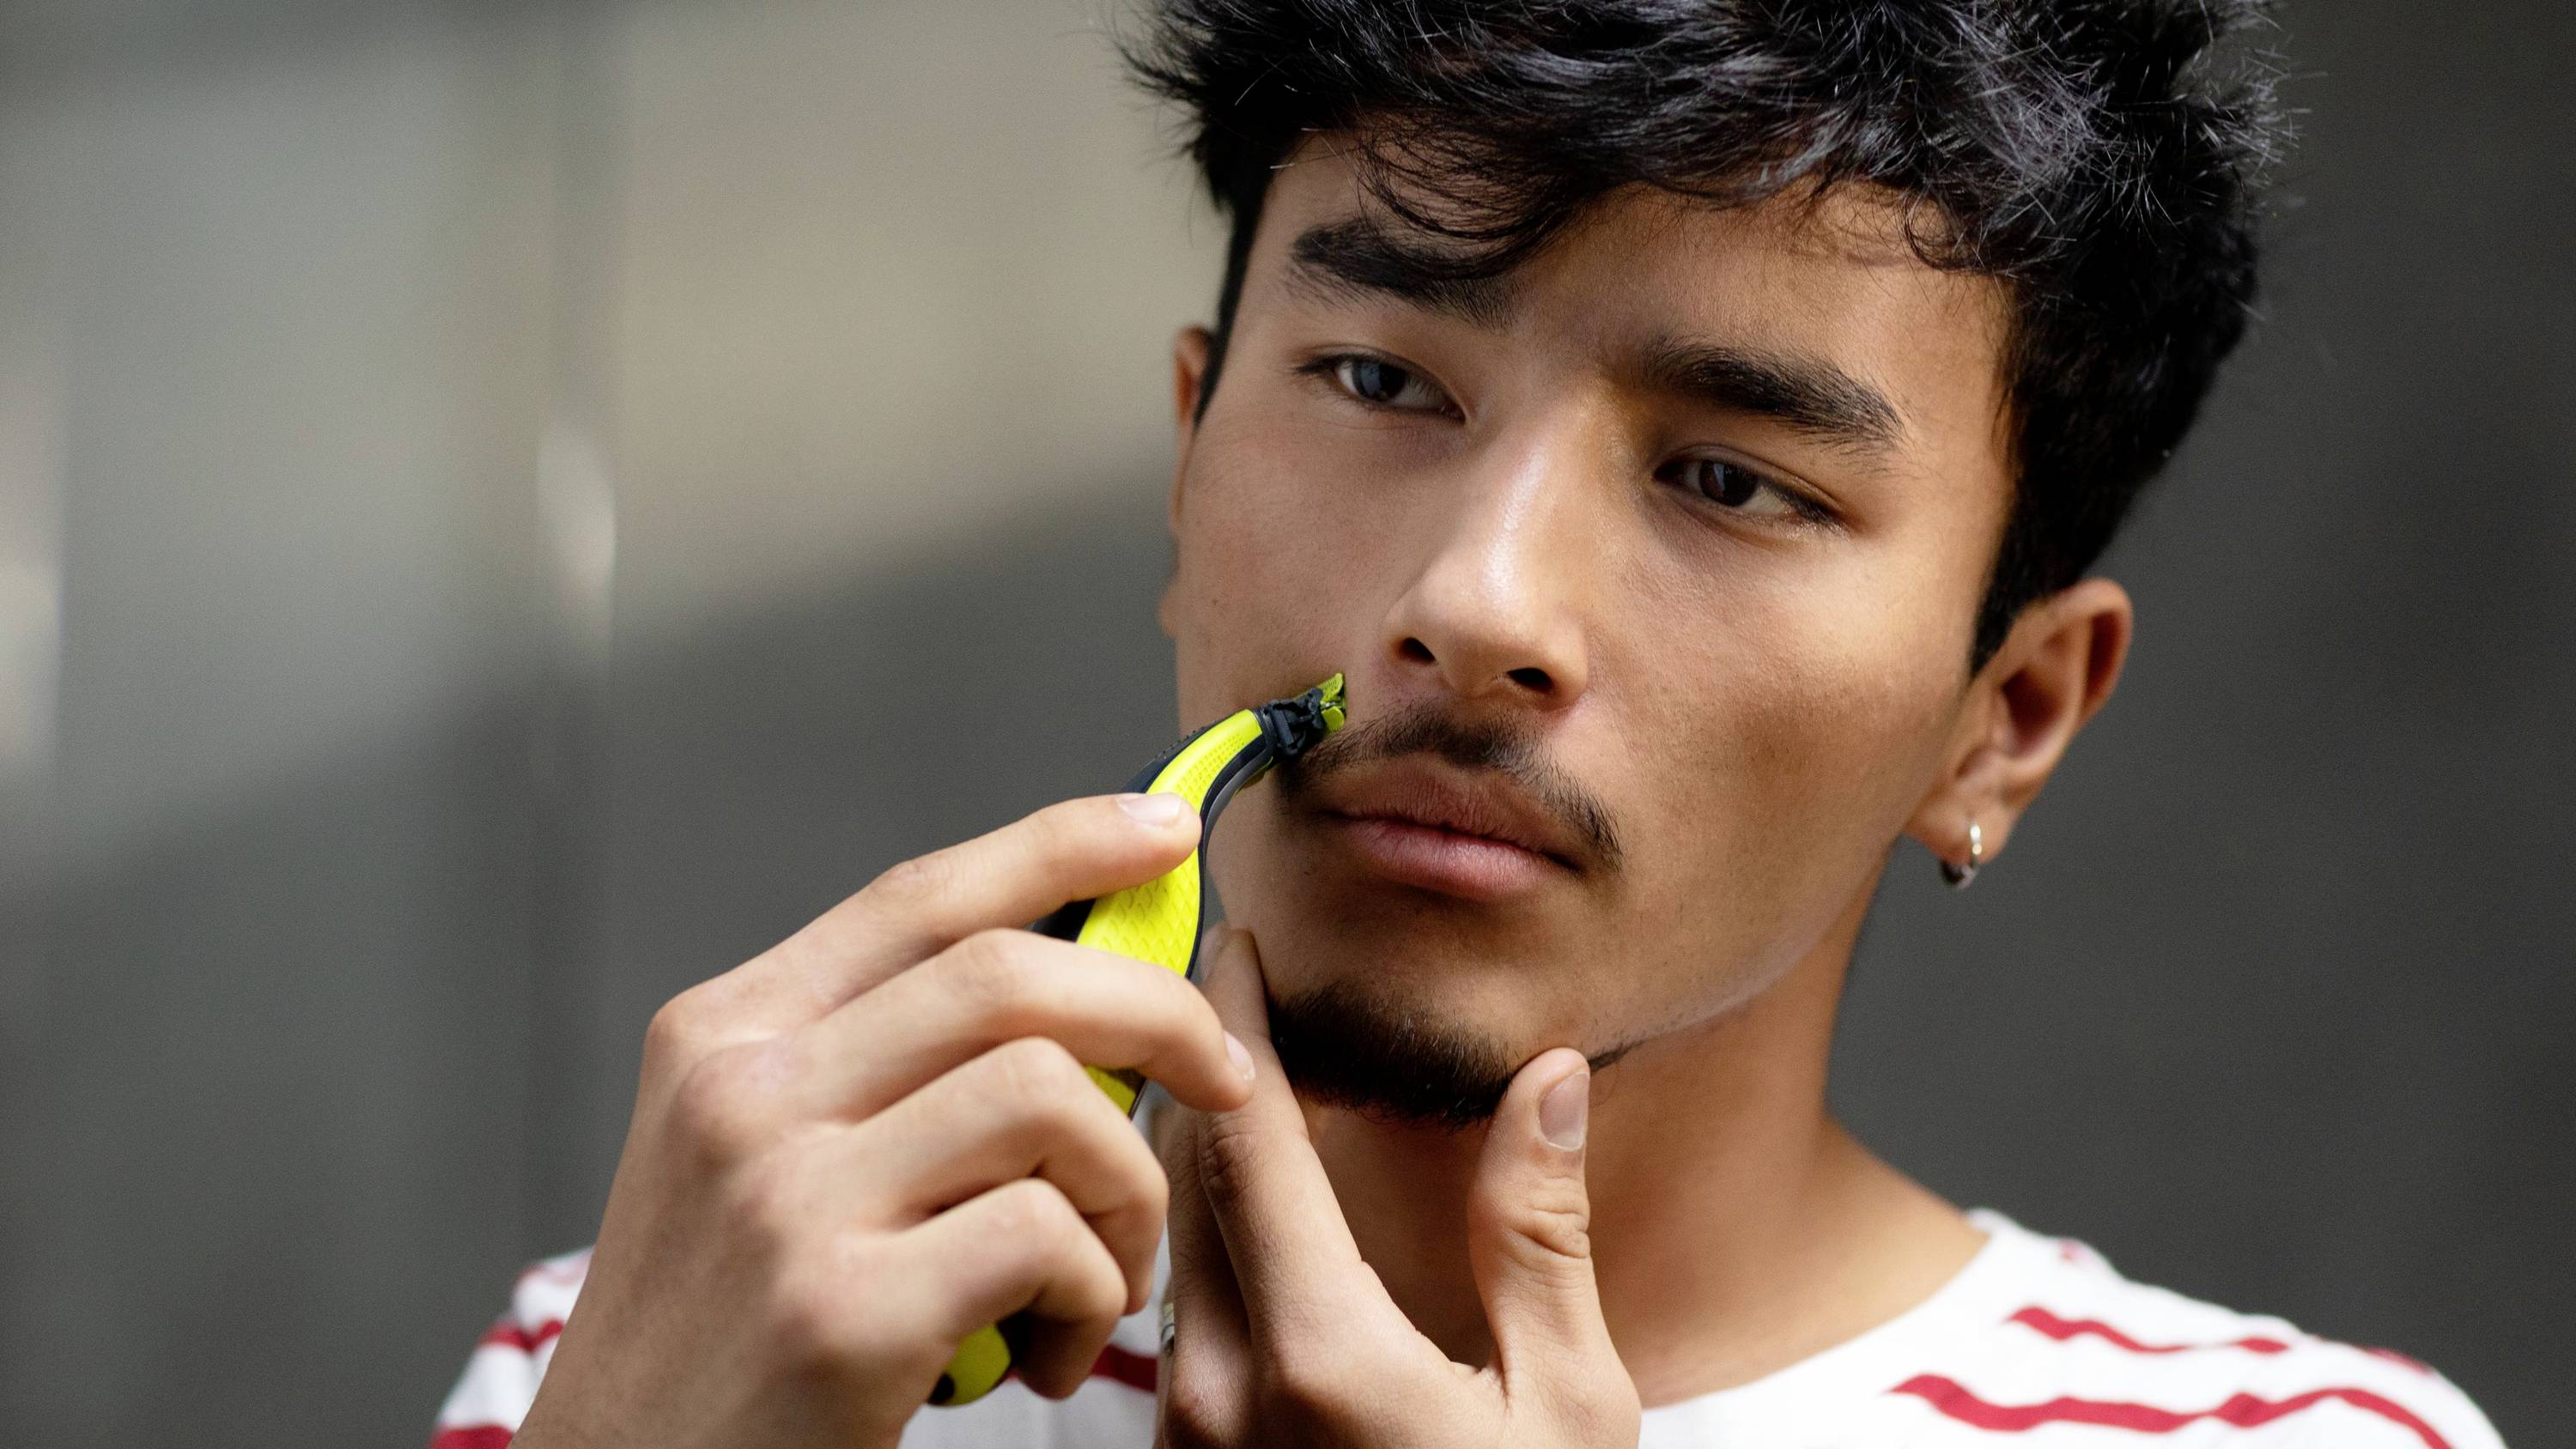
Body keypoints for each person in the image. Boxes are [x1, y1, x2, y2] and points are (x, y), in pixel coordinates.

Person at [433, 1, 2506, 1445]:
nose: (1477, 601)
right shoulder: (692, 1360)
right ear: (1185, 465)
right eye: (1377, 381)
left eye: (1733, 479)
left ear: (2007, 716)